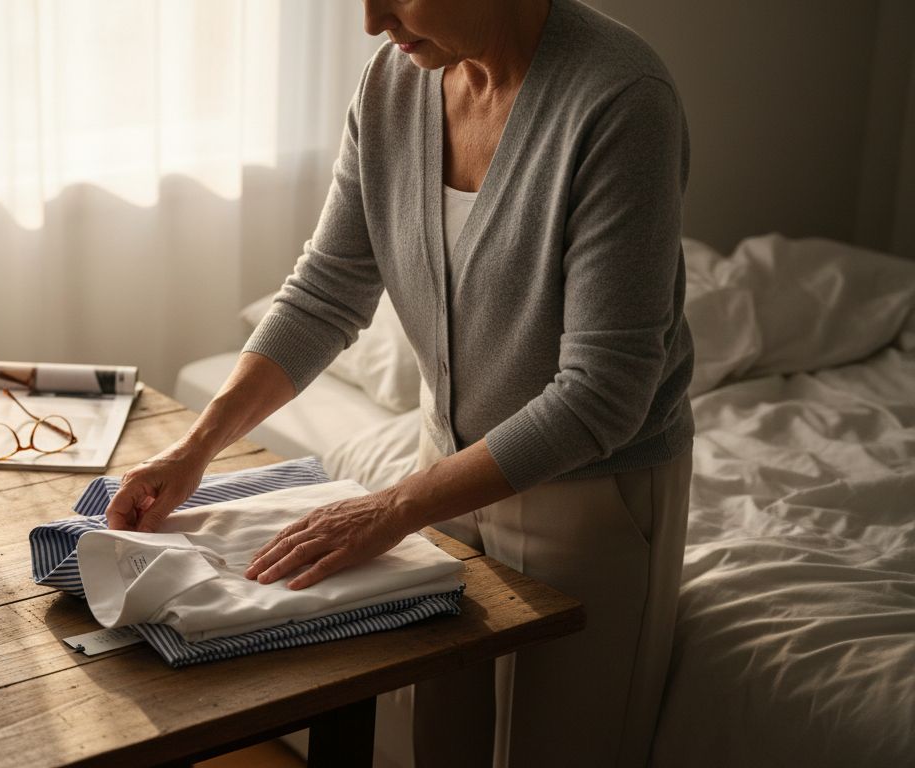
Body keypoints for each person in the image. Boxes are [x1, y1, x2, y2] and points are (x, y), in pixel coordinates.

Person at [106, 0, 694, 765]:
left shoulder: (620, 99)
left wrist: (389, 509)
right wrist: (197, 448)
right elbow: (327, 290)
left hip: (590, 498)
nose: (373, 20)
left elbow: (604, 392)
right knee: (441, 743)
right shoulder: (394, 83)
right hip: (444, 467)